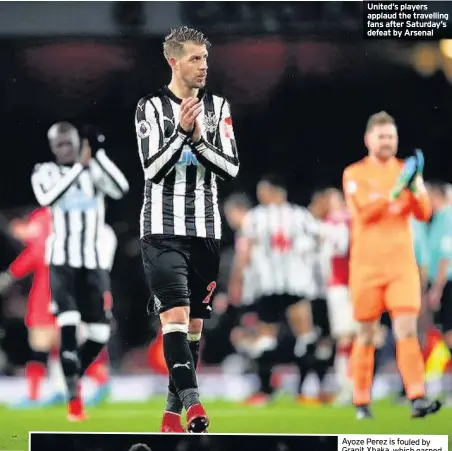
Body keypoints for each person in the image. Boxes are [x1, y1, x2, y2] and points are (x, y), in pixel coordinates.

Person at [135, 26, 239, 433]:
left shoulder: (219, 106)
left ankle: (169, 417)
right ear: (173, 61)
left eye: (206, 58)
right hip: (161, 230)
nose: (204, 66)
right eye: (196, 58)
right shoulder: (149, 107)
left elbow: (230, 168)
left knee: (193, 328)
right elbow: (152, 169)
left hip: (207, 231)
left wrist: (197, 140)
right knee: (174, 319)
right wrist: (180, 133)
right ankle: (195, 406)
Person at [343, 110, 441, 419]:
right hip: (366, 267)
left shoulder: (407, 171)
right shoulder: (354, 174)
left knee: (407, 330)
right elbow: (364, 212)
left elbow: (424, 213)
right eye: (382, 136)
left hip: (401, 265)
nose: (387, 142)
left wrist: (416, 188)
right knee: (366, 334)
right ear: (368, 139)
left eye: (391, 137)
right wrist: (395, 191)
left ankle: (417, 397)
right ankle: (361, 401)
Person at [31, 122, 129, 421]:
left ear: (78, 142)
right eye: (58, 144)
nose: (64, 149)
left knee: (100, 333)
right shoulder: (43, 171)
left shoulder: (93, 171)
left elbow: (121, 188)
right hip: (63, 263)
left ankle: (71, 378)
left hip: (93, 263)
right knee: (69, 325)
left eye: (68, 143)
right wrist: (78, 169)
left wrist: (98, 156)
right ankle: (74, 399)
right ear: (52, 147)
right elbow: (47, 199)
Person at [229, 174, 319, 405]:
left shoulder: (255, 218)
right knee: (305, 337)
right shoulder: (301, 216)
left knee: (266, 339)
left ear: (270, 191)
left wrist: (238, 281)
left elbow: (244, 253)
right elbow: (317, 243)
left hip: (267, 286)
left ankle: (266, 391)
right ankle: (304, 391)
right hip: (296, 285)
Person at [0, 207, 61, 406]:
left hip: (47, 297)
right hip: (68, 294)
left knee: (41, 347)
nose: (18, 238)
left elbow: (36, 252)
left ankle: (34, 395)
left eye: (16, 231)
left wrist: (10, 274)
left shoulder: (42, 219)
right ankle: (66, 391)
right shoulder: (60, 218)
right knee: (62, 346)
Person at [322, 188, 355, 405]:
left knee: (345, 338)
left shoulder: (334, 221)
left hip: (341, 285)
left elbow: (335, 251)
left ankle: (347, 386)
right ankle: (355, 386)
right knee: (357, 338)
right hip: (356, 283)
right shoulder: (354, 219)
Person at [425, 181, 452, 402]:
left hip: (448, 282)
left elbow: (446, 257)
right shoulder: (438, 219)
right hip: (444, 282)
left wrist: (437, 288)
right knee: (446, 335)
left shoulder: (448, 216)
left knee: (450, 335)